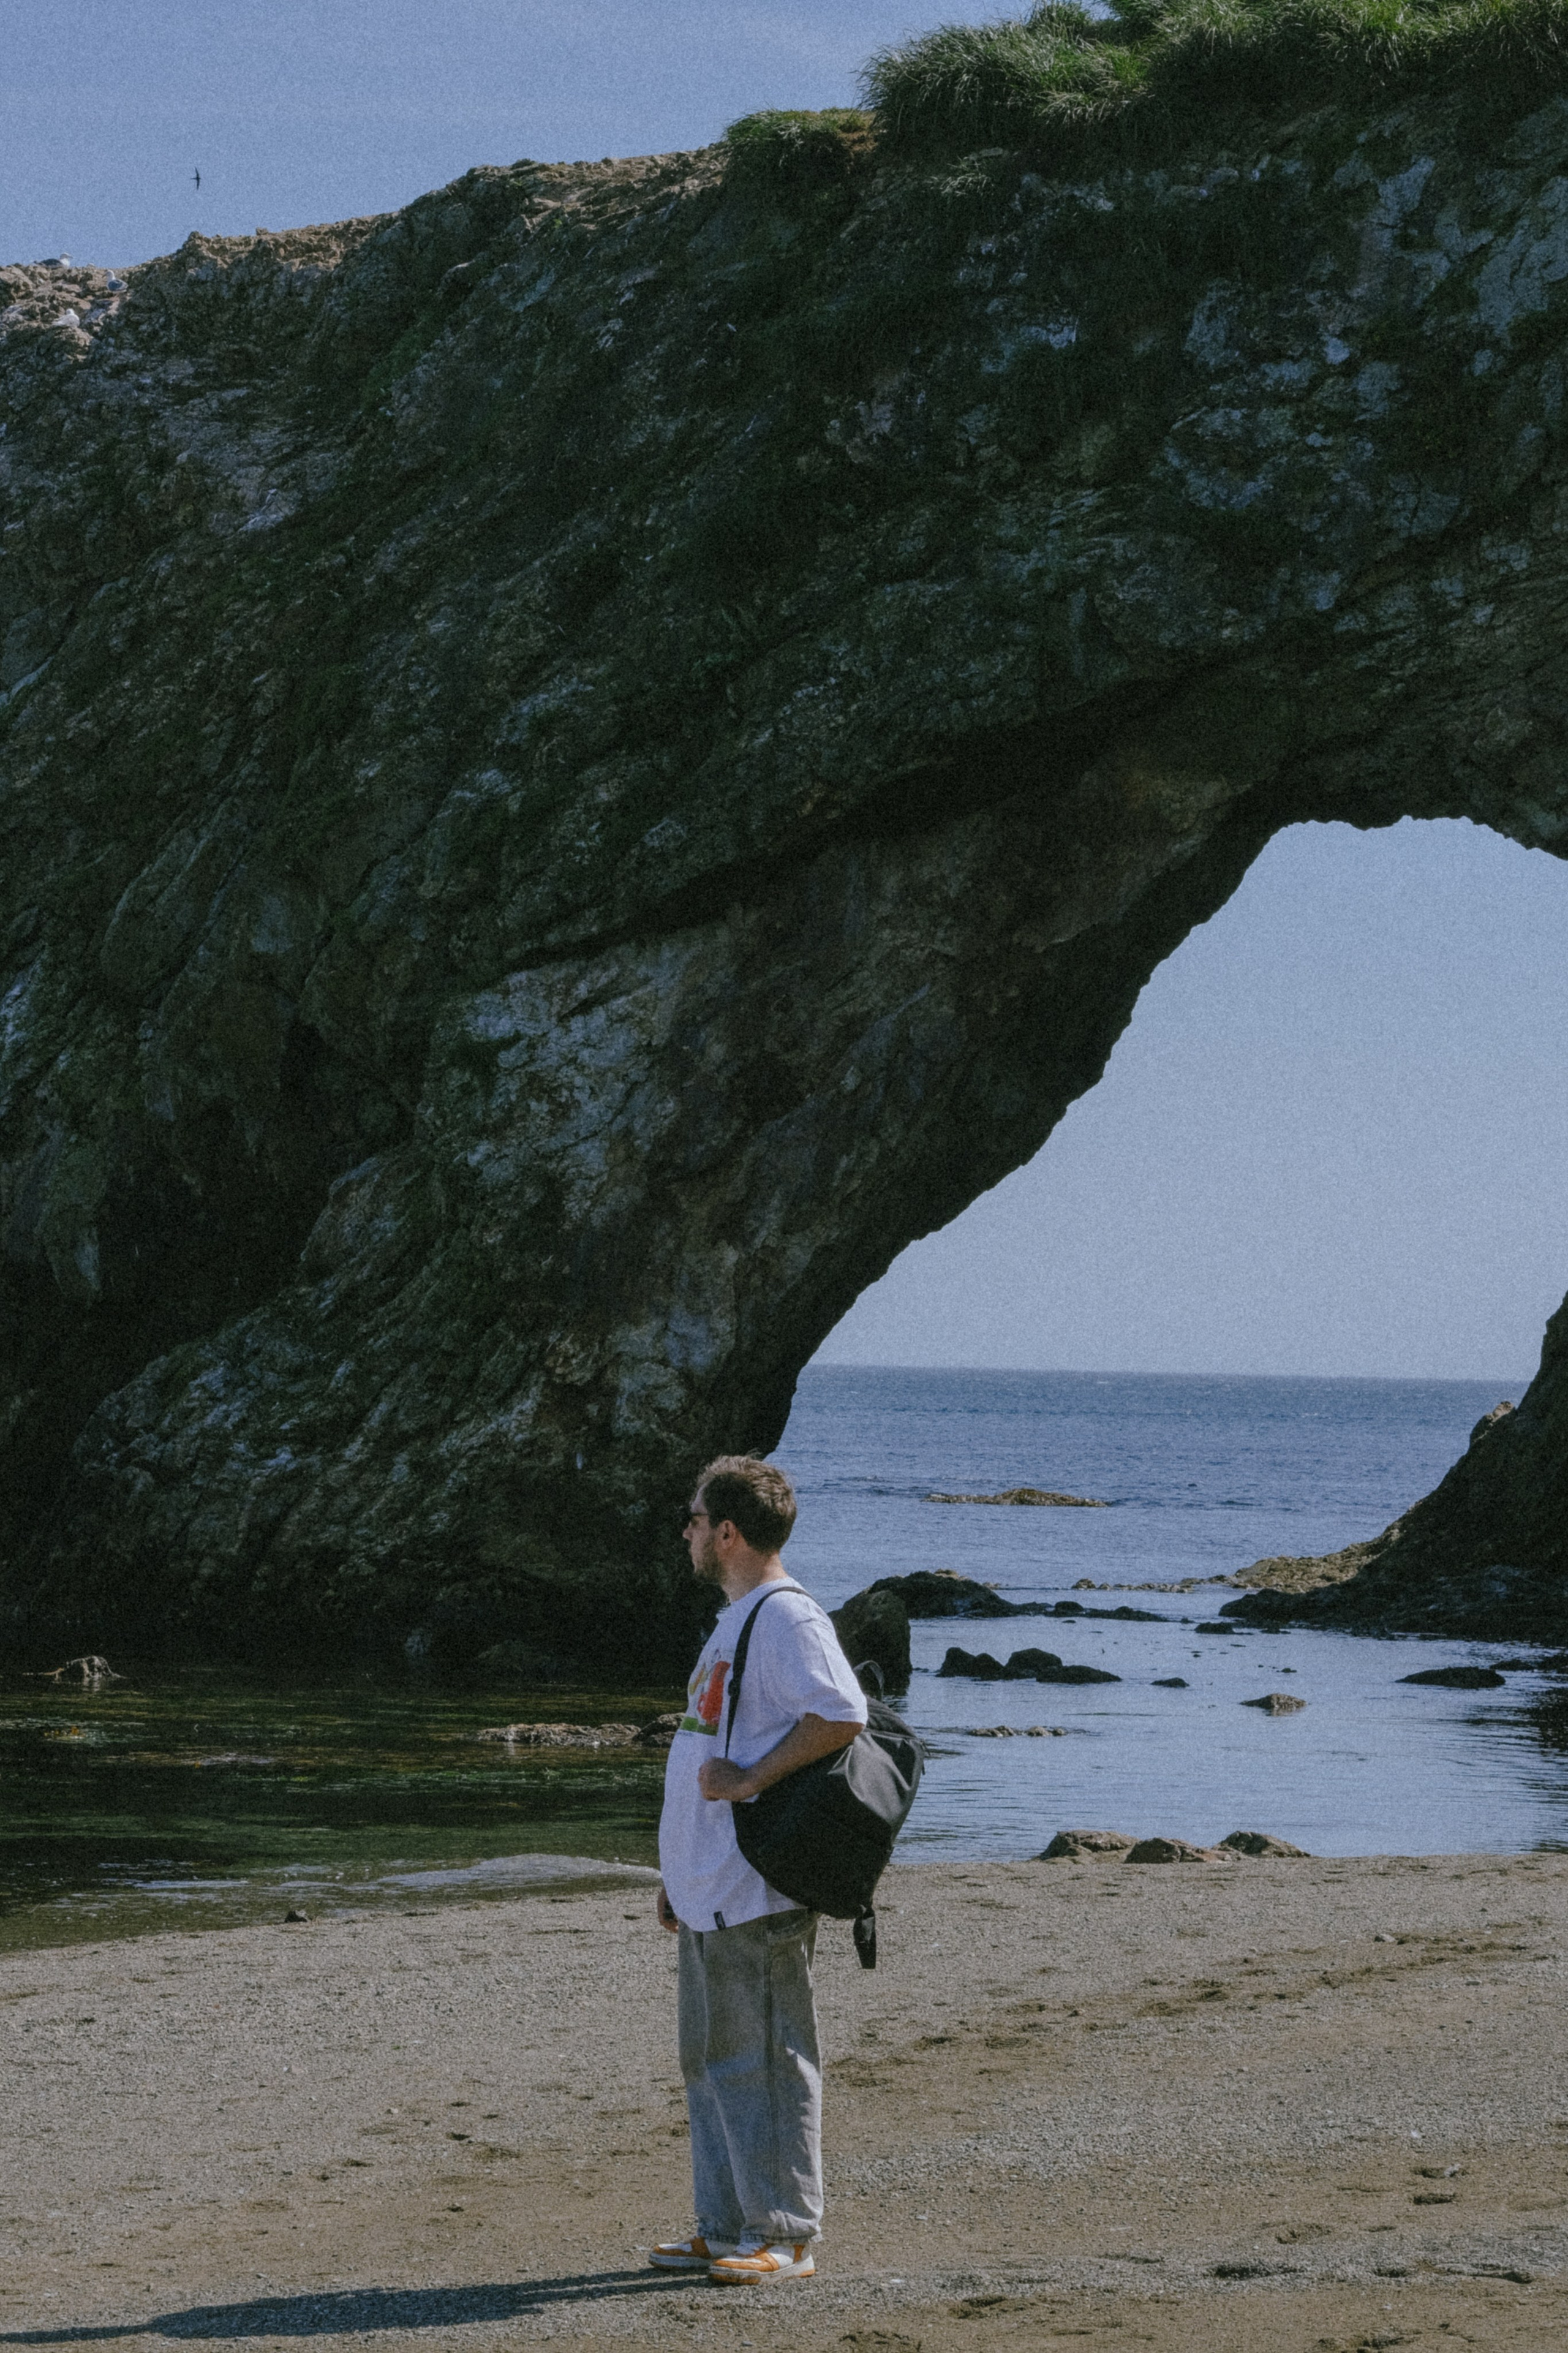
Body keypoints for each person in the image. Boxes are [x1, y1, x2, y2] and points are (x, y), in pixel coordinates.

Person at [650, 1454, 868, 2286]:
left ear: (729, 1532)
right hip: (713, 1885)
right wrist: (678, 1869)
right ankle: (724, 2223)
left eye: (696, 1518)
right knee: (709, 2060)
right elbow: (711, 1740)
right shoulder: (738, 1618)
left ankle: (785, 2232)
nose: (688, 1531)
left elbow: (840, 1712)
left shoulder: (785, 1617)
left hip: (759, 1886)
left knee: (768, 2057)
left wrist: (750, 1780)